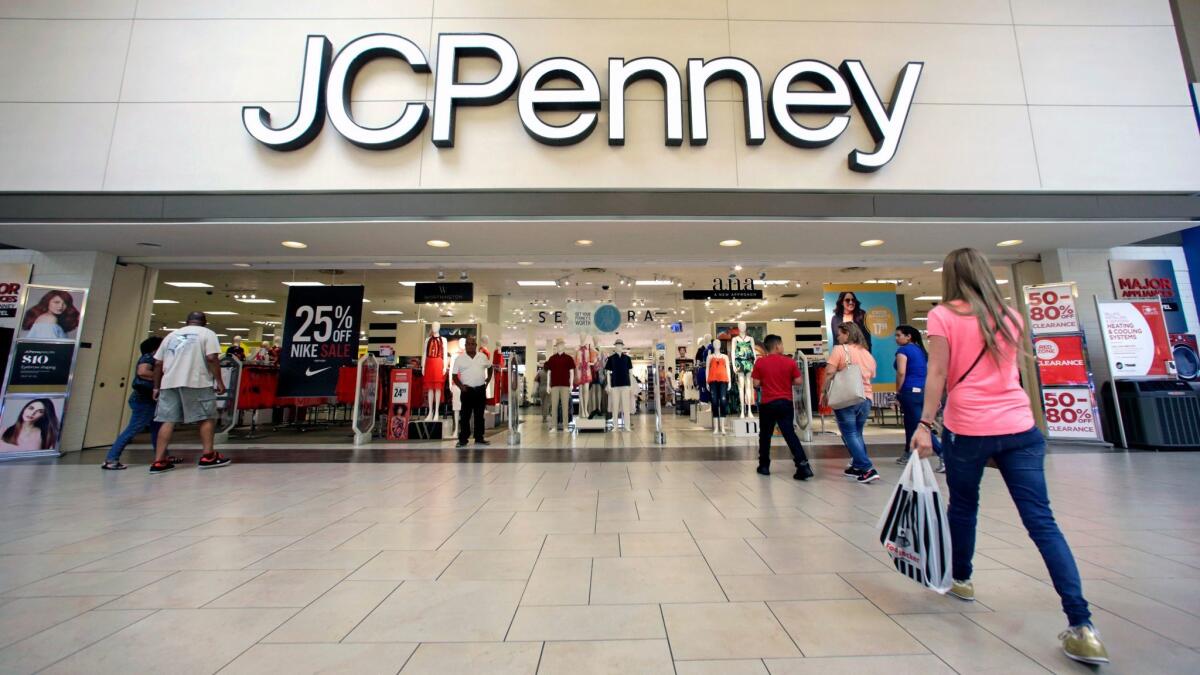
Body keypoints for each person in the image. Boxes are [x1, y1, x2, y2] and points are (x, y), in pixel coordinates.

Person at [912, 248, 1108, 665]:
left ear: (949, 276)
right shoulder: (1011, 315)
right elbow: (1009, 373)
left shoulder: (942, 316)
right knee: (1042, 522)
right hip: (1020, 427)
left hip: (970, 427)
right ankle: (1082, 625)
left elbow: (939, 373)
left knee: (963, 507)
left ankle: (961, 578)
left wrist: (926, 423)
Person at [151, 311, 229, 474]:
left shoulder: (171, 335)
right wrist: (219, 381)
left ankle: (159, 461)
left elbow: (158, 363)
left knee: (167, 420)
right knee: (207, 417)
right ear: (204, 322)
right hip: (196, 381)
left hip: (169, 383)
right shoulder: (208, 334)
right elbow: (211, 358)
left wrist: (156, 387)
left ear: (187, 322)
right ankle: (208, 456)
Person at [821, 322, 879, 484]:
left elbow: (830, 372)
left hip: (846, 397)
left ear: (847, 333)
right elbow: (872, 373)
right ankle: (857, 465)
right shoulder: (866, 353)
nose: (838, 337)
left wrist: (824, 392)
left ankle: (867, 468)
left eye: (839, 334)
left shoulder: (840, 350)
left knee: (850, 434)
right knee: (857, 433)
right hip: (865, 397)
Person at [750, 334, 813, 480]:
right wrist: (785, 381)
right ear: (777, 346)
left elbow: (756, 384)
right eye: (782, 344)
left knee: (765, 435)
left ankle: (764, 465)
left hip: (768, 403)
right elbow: (798, 381)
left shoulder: (760, 363)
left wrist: (768, 382)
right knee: (790, 434)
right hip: (785, 403)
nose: (783, 347)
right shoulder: (789, 362)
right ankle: (803, 465)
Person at [103, 336, 167, 470]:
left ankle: (161, 457)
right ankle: (111, 459)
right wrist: (163, 376)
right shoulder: (149, 357)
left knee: (158, 429)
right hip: (144, 400)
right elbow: (142, 371)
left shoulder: (153, 358)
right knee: (133, 429)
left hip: (150, 400)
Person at [893, 324, 943, 471]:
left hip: (909, 391)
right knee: (910, 422)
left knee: (918, 424)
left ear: (908, 336)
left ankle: (943, 454)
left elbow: (901, 372)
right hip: (923, 391)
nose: (896, 338)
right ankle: (909, 453)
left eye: (898, 335)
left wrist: (898, 390)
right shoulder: (921, 351)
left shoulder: (903, 351)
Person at [451, 334, 493, 448]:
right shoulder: (459, 359)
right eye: (468, 344)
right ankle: (463, 439)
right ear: (465, 346)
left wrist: (488, 379)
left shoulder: (482, 356)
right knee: (465, 416)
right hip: (467, 391)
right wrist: (461, 386)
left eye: (472, 344)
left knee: (479, 416)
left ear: (475, 345)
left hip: (480, 390)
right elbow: (454, 376)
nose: (470, 346)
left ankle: (479, 438)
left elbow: (490, 366)